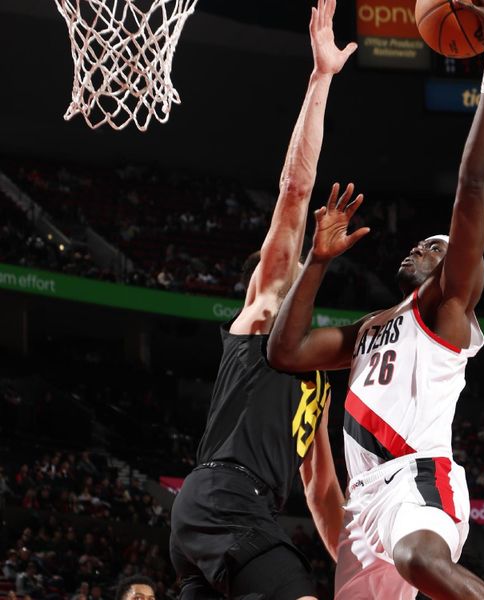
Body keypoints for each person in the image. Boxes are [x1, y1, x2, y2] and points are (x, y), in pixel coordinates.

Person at [267, 1, 484, 598]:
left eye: (434, 246)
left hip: (418, 477)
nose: (419, 248)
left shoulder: (446, 307)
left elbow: (473, 187)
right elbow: (286, 351)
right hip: (364, 505)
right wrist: (317, 262)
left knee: (418, 558)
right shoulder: (374, 325)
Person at [168, 1, 354, 598]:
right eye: (285, 262)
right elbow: (297, 190)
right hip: (226, 497)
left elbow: (324, 492)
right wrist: (320, 79)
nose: (292, 262)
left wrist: (357, 574)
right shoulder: (265, 313)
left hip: (235, 512)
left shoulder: (317, 380)